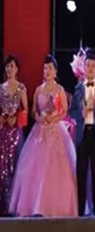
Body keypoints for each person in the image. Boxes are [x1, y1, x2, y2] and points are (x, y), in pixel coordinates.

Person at [9, 55, 78, 217]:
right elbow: (33, 110)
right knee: (34, 169)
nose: (47, 71)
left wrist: (54, 118)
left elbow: (64, 111)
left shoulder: (60, 90)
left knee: (57, 169)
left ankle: (55, 207)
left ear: (55, 71)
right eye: (45, 68)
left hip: (55, 130)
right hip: (40, 130)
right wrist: (38, 117)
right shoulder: (39, 90)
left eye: (50, 68)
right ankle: (34, 206)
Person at [70, 52, 95, 217]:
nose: (90, 68)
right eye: (88, 65)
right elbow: (72, 111)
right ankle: (80, 211)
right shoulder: (78, 88)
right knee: (81, 173)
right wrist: (81, 114)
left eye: (93, 66)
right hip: (82, 134)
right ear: (84, 68)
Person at [0, 55, 28, 216]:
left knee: (16, 167)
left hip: (16, 133)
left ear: (17, 69)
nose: (9, 69)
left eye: (12, 66)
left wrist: (16, 118)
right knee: (2, 168)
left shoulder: (21, 88)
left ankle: (15, 206)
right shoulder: (0, 88)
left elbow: (26, 110)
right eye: (7, 66)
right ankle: (3, 206)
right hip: (2, 133)